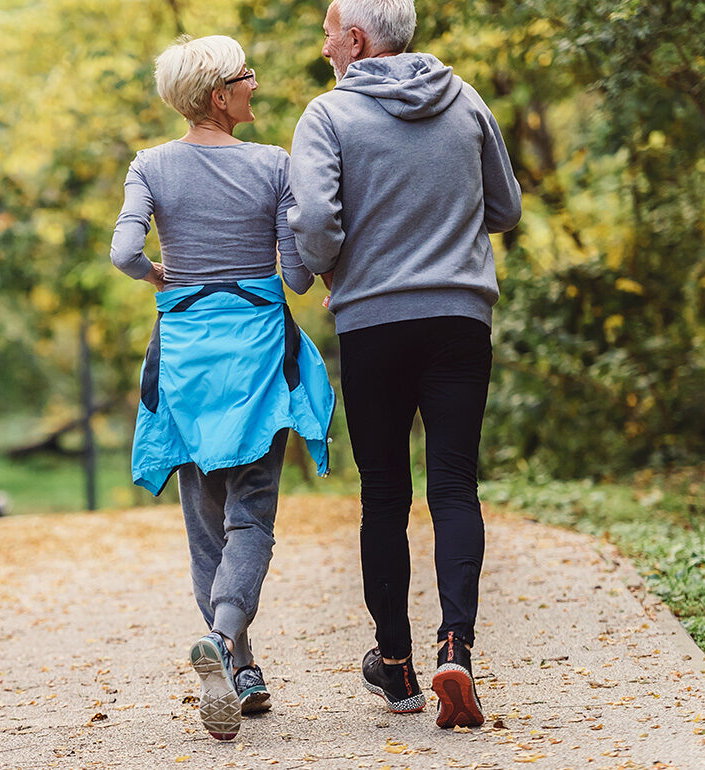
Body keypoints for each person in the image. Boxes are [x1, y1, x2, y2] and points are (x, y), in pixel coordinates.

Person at [288, 0, 522, 729]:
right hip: (460, 319)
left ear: (355, 40)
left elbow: (317, 226)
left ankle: (395, 667)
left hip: (375, 322)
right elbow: (505, 206)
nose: (325, 46)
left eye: (329, 33)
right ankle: (458, 646)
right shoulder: (468, 99)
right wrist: (441, 228)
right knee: (455, 486)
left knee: (385, 494)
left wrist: (332, 269)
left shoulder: (327, 117)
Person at [110, 34, 335, 742]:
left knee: (205, 521)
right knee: (253, 514)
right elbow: (297, 277)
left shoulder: (150, 166)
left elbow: (123, 253)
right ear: (219, 95)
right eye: (245, 76)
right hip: (257, 357)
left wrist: (158, 277)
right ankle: (228, 635)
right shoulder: (273, 166)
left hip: (183, 360)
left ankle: (237, 665)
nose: (255, 83)